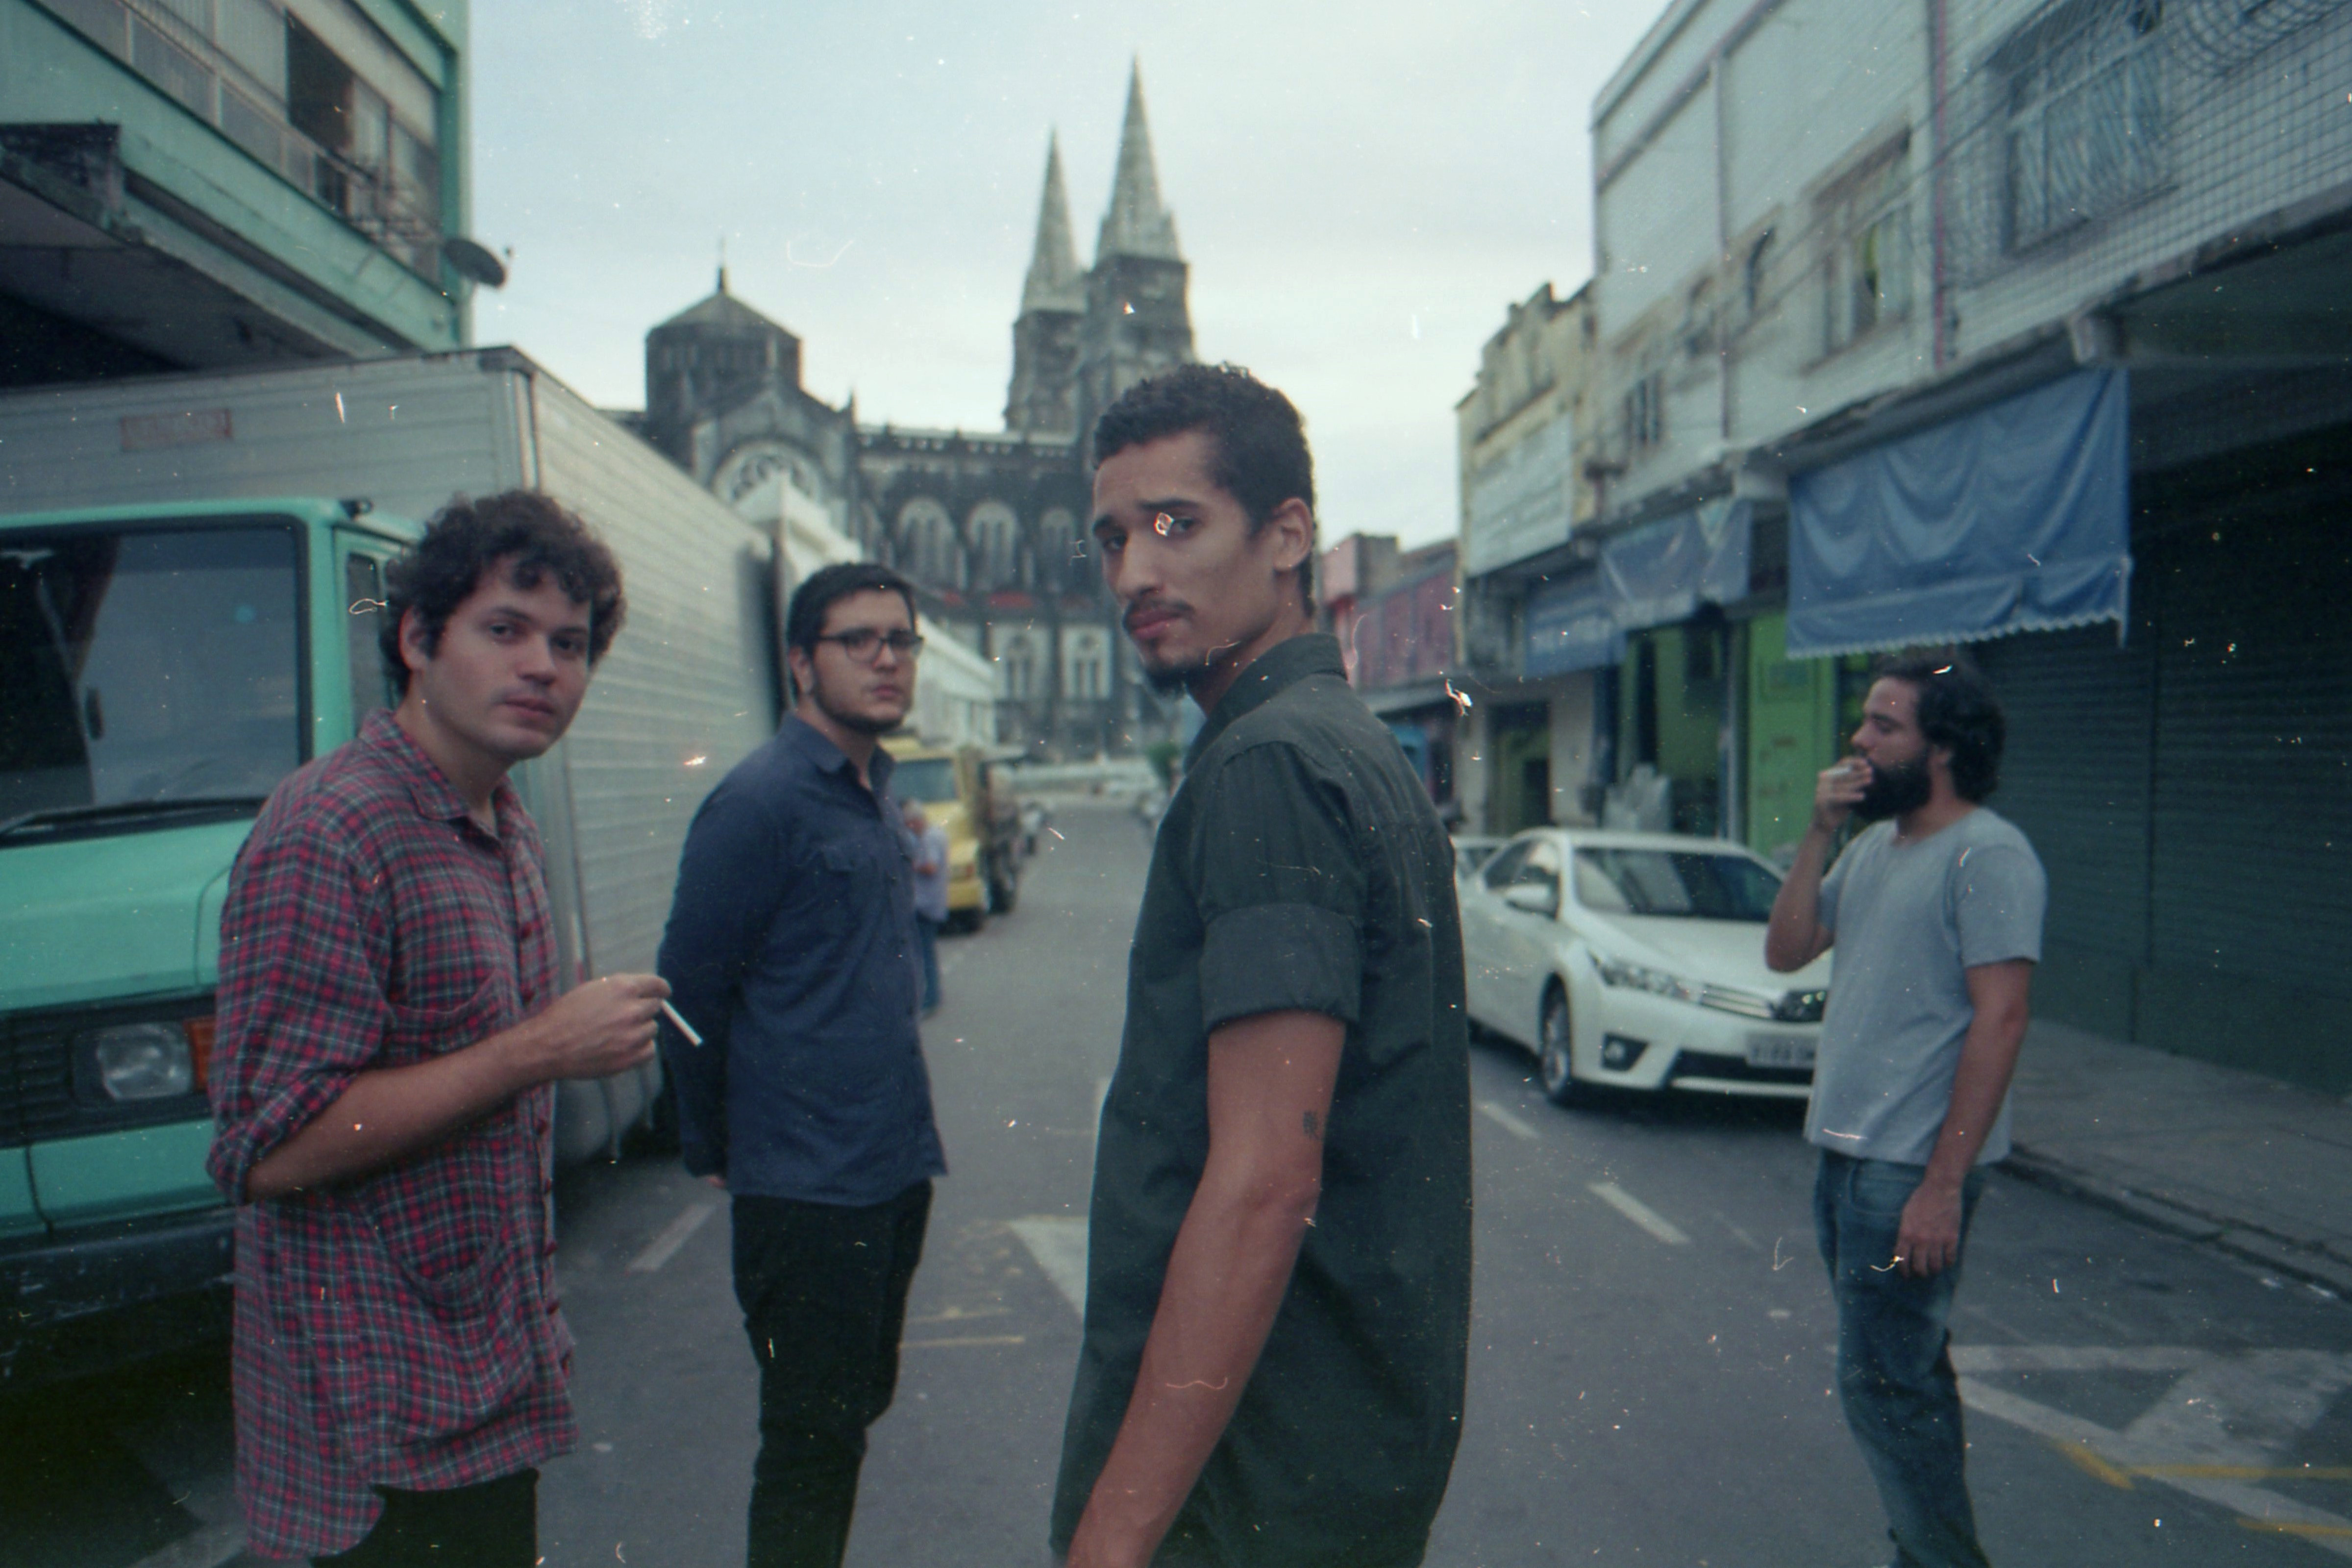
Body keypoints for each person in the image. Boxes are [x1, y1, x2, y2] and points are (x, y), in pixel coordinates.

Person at [1050, 365, 1472, 1568]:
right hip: (1330, 1462)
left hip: (1248, 1488)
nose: (1133, 573)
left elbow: (1263, 1181)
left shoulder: (1267, 767)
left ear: (1287, 536)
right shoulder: (1347, 744)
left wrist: (1111, 1538)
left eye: (1175, 525)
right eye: (1113, 537)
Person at [206, 493, 662, 1567]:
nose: (542, 666)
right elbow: (268, 1152)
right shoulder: (330, 829)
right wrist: (540, 1048)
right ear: (416, 638)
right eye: (504, 629)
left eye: (569, 643)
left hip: (486, 1391)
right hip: (375, 1439)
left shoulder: (503, 823)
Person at [656, 561, 945, 1568]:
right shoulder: (759, 801)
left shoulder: (872, 789)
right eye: (856, 639)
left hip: (892, 1170)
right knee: (809, 1445)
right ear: (798, 663)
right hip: (807, 1190)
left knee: (850, 1412)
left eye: (899, 639)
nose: (884, 658)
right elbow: (688, 992)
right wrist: (714, 1145)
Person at [1764, 651, 2046, 1568]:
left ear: (1941, 746)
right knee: (1904, 1376)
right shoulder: (1871, 848)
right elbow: (1785, 948)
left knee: (1881, 1384)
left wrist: (1939, 1184)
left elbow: (2001, 1018)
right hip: (1846, 1155)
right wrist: (1818, 830)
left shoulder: (1987, 853)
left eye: (1882, 724)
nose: (1858, 738)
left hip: (1905, 1168)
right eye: (1863, 720)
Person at [902, 797, 949, 1015]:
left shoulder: (930, 838)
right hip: (930, 902)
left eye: (910, 824)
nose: (910, 828)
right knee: (925, 952)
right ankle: (931, 996)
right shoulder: (933, 835)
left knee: (924, 954)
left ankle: (930, 999)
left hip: (926, 904)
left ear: (918, 821)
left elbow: (931, 867)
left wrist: (909, 866)